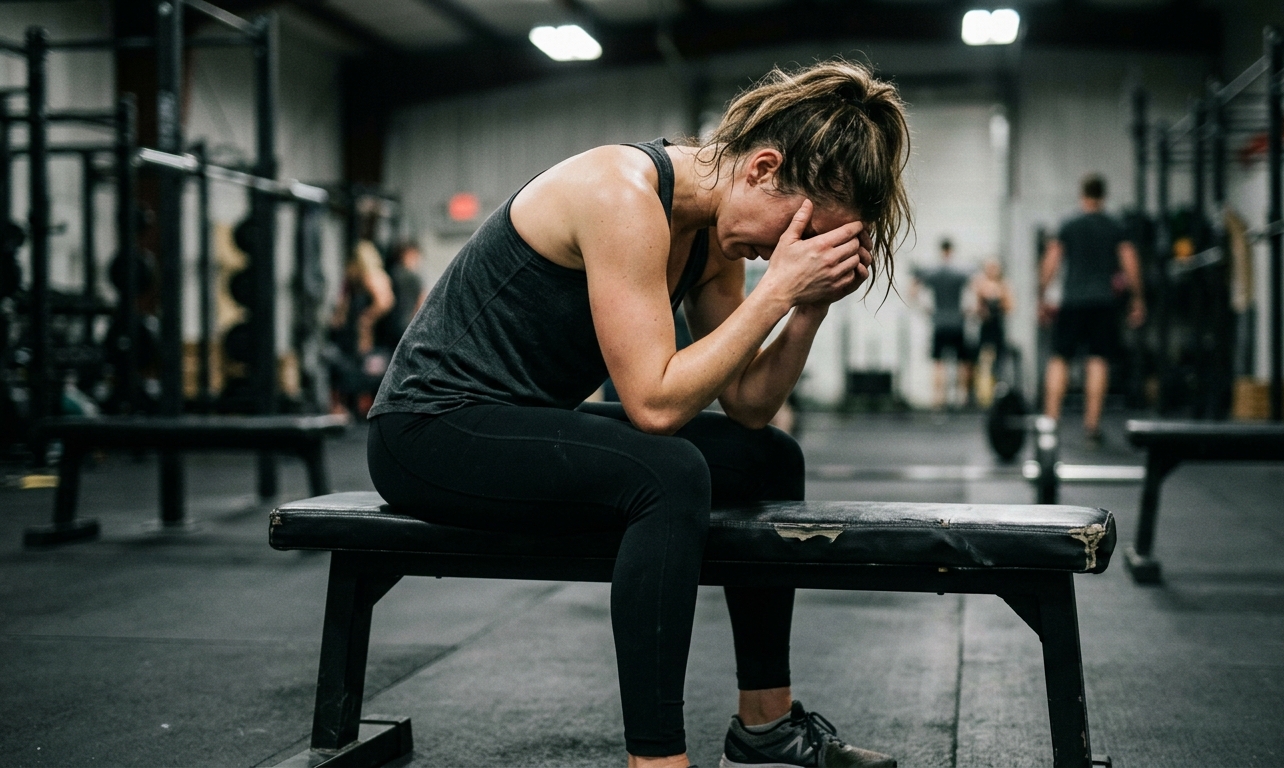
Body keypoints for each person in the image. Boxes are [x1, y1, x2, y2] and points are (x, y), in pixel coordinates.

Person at [366, 61, 910, 768]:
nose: (790, 253)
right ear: (762, 169)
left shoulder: (716, 237)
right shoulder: (620, 193)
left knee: (769, 458)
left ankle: (765, 729)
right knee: (669, 471)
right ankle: (655, 760)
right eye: (798, 233)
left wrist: (806, 309)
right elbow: (654, 406)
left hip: (519, 422)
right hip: (426, 430)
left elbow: (748, 404)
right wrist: (778, 291)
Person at [1038, 174, 1145, 443]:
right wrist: (1137, 298)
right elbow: (1130, 261)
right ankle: (1091, 428)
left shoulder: (1068, 223)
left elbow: (1051, 260)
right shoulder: (1114, 225)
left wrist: (1040, 296)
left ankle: (1050, 423)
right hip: (1103, 303)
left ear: (1082, 194)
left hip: (1072, 301)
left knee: (1060, 358)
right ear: (1103, 196)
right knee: (1097, 360)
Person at [329, 240, 394, 418]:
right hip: (364, 336)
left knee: (365, 371)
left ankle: (361, 409)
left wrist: (367, 319)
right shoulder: (363, 280)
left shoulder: (372, 278)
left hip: (370, 337)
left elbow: (385, 302)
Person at [911, 239, 973, 408]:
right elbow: (976, 286)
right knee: (961, 362)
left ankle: (938, 401)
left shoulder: (933, 273)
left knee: (939, 363)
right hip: (957, 322)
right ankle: (962, 399)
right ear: (951, 251)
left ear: (941, 250)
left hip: (939, 322)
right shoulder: (960, 272)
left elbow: (913, 289)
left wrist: (924, 308)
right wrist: (969, 309)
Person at [970, 259, 1013, 405]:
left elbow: (1010, 307)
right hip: (986, 329)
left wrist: (999, 299)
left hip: (998, 329)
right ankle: (984, 396)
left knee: (999, 363)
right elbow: (976, 309)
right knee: (985, 362)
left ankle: (998, 394)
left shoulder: (1004, 286)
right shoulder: (980, 284)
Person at [379, 240, 427, 349]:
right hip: (409, 325)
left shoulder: (391, 273)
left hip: (390, 326)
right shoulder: (414, 277)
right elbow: (422, 304)